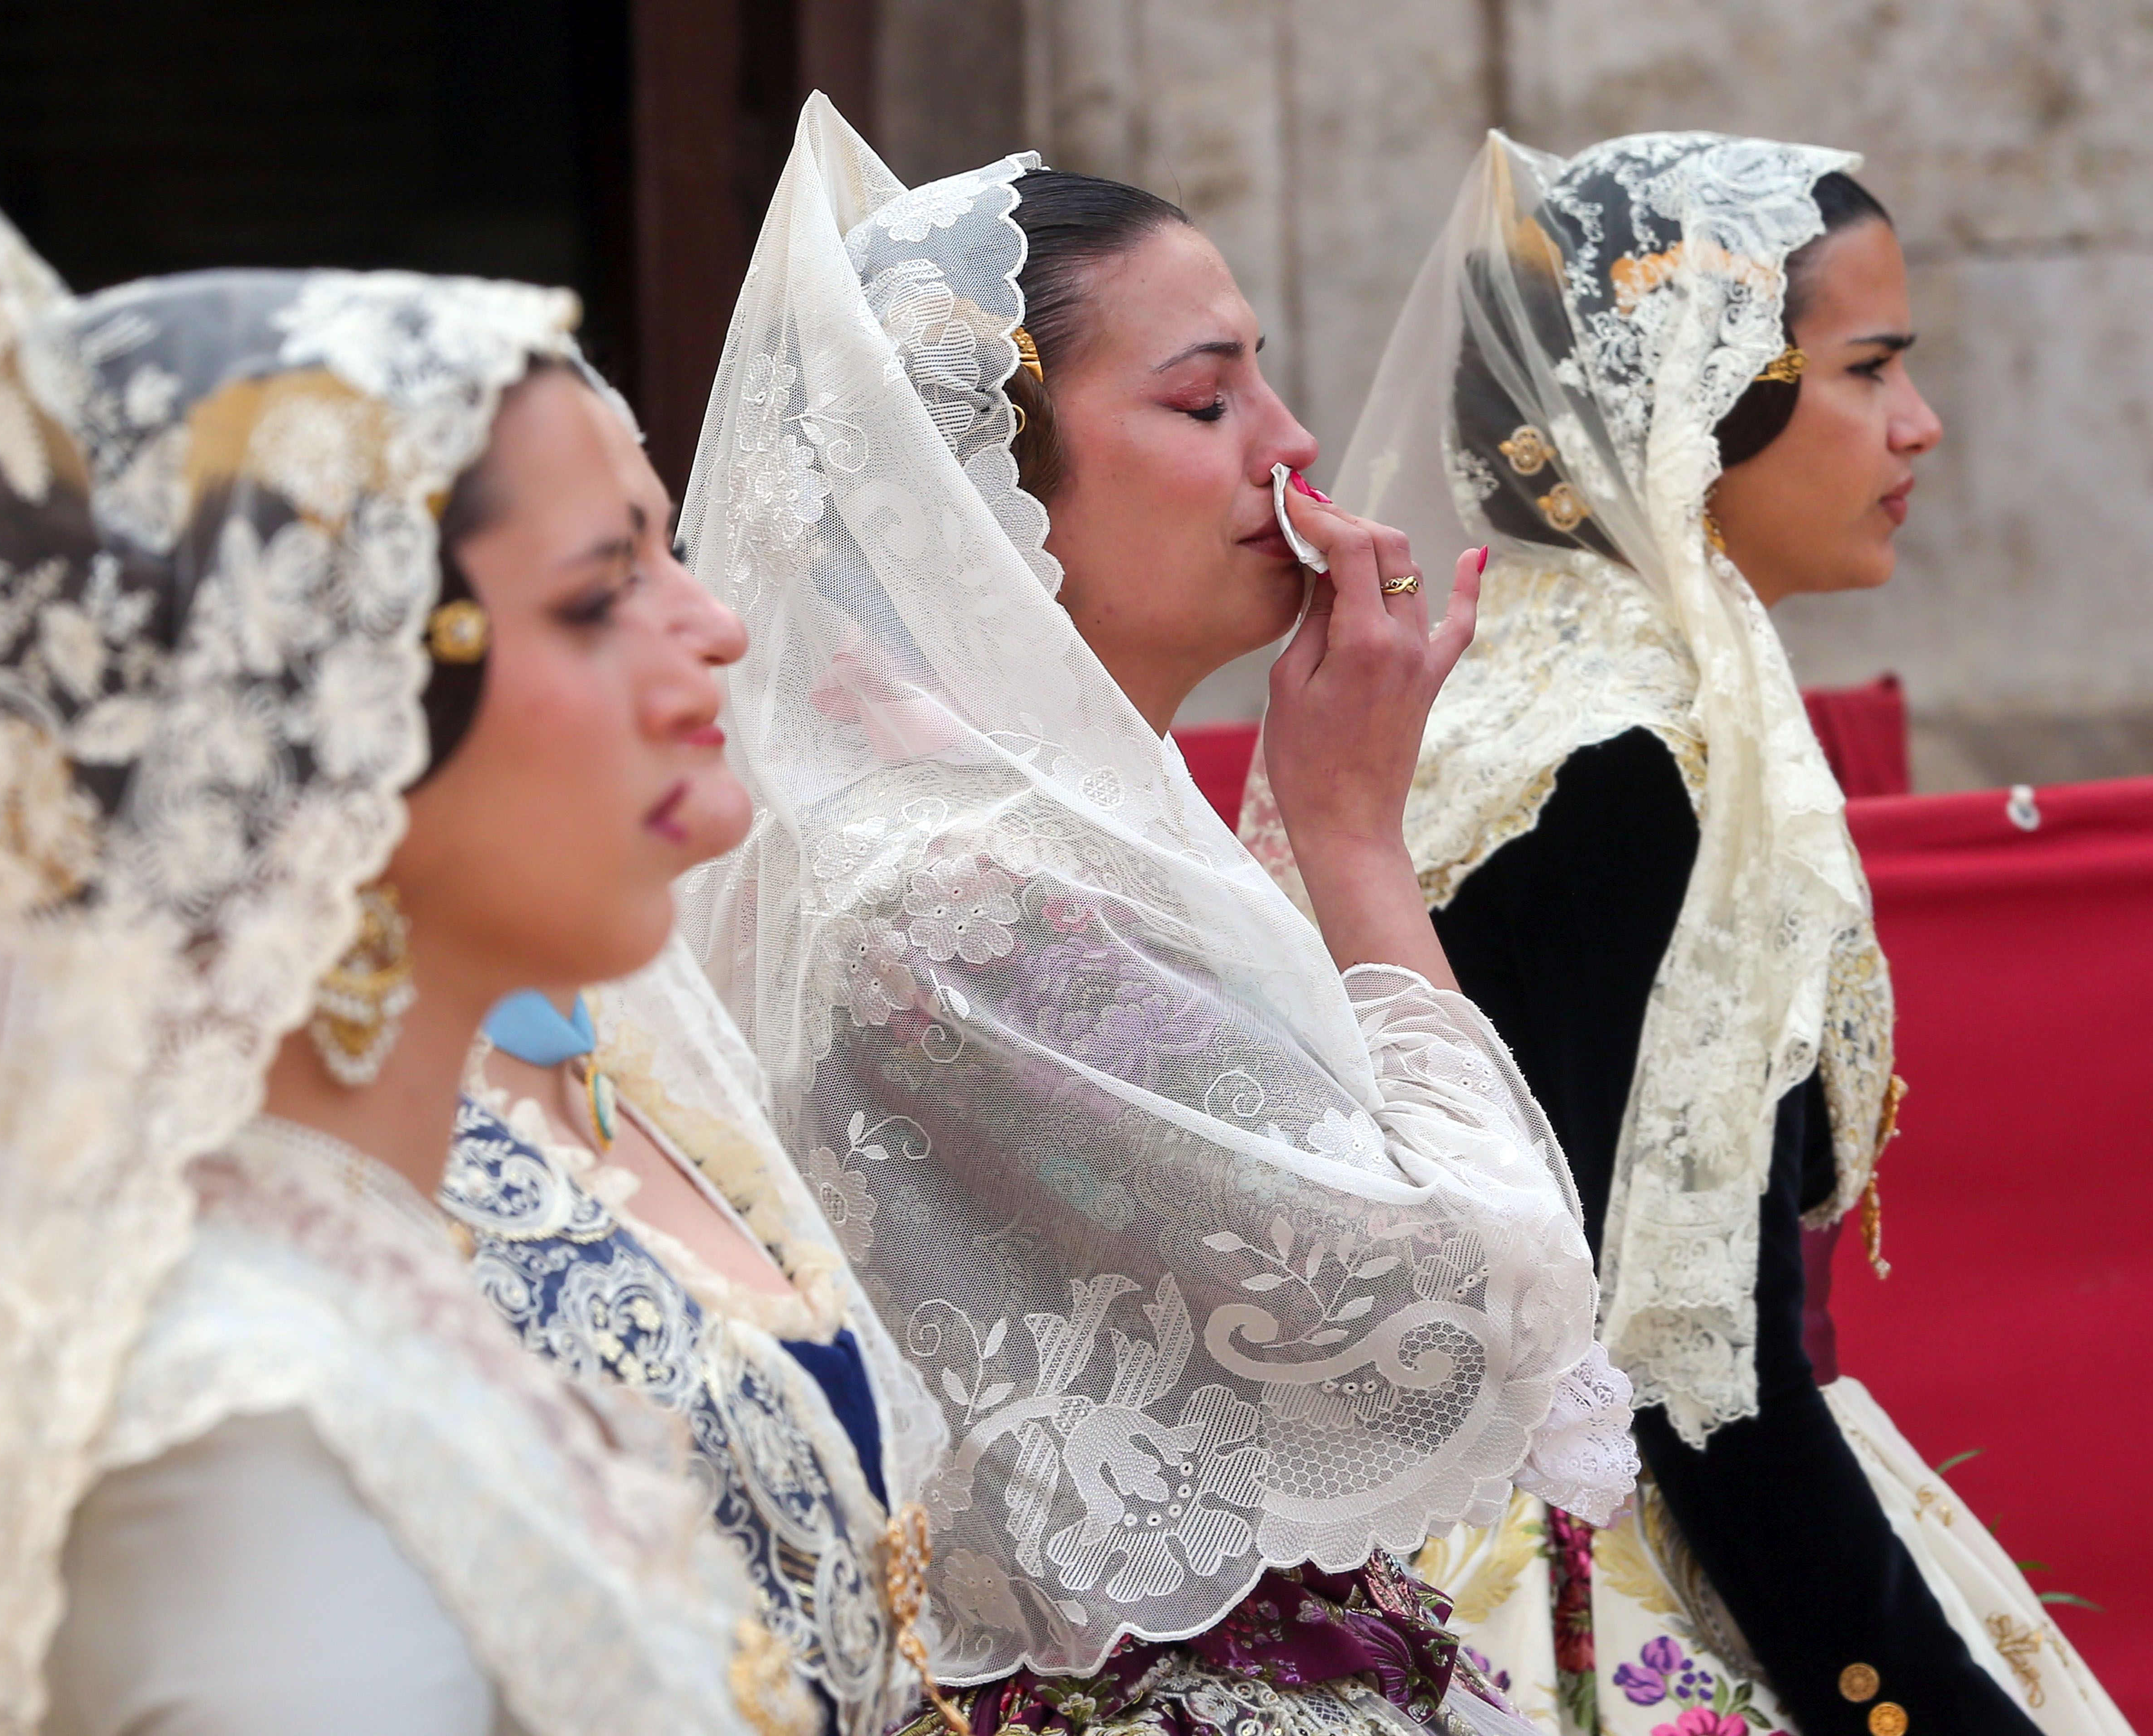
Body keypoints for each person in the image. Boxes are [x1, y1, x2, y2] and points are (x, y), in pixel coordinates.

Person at [0, 191, 788, 1736]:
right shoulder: (238, 1431)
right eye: (596, 595)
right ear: (326, 725)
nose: (711, 633)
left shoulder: (352, 1268)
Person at [682, 94, 1636, 1736]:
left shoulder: (1016, 837)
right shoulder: (964, 905)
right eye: (1207, 398)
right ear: (974, 488)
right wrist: (1351, 836)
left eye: (1263, 373)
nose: (1292, 444)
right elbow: (1481, 1315)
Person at [1237, 132, 2129, 1736]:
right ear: (1693, 403)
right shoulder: (1622, 765)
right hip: (1585, 1582)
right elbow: (1689, 1367)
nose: (1920, 426)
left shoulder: (1547, 703)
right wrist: (1914, 1705)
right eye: (1870, 371)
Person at [420, 358, 952, 1736]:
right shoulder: (317, 1185)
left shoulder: (637, 1049)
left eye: (674, 548)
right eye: (607, 585)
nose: (717, 624)